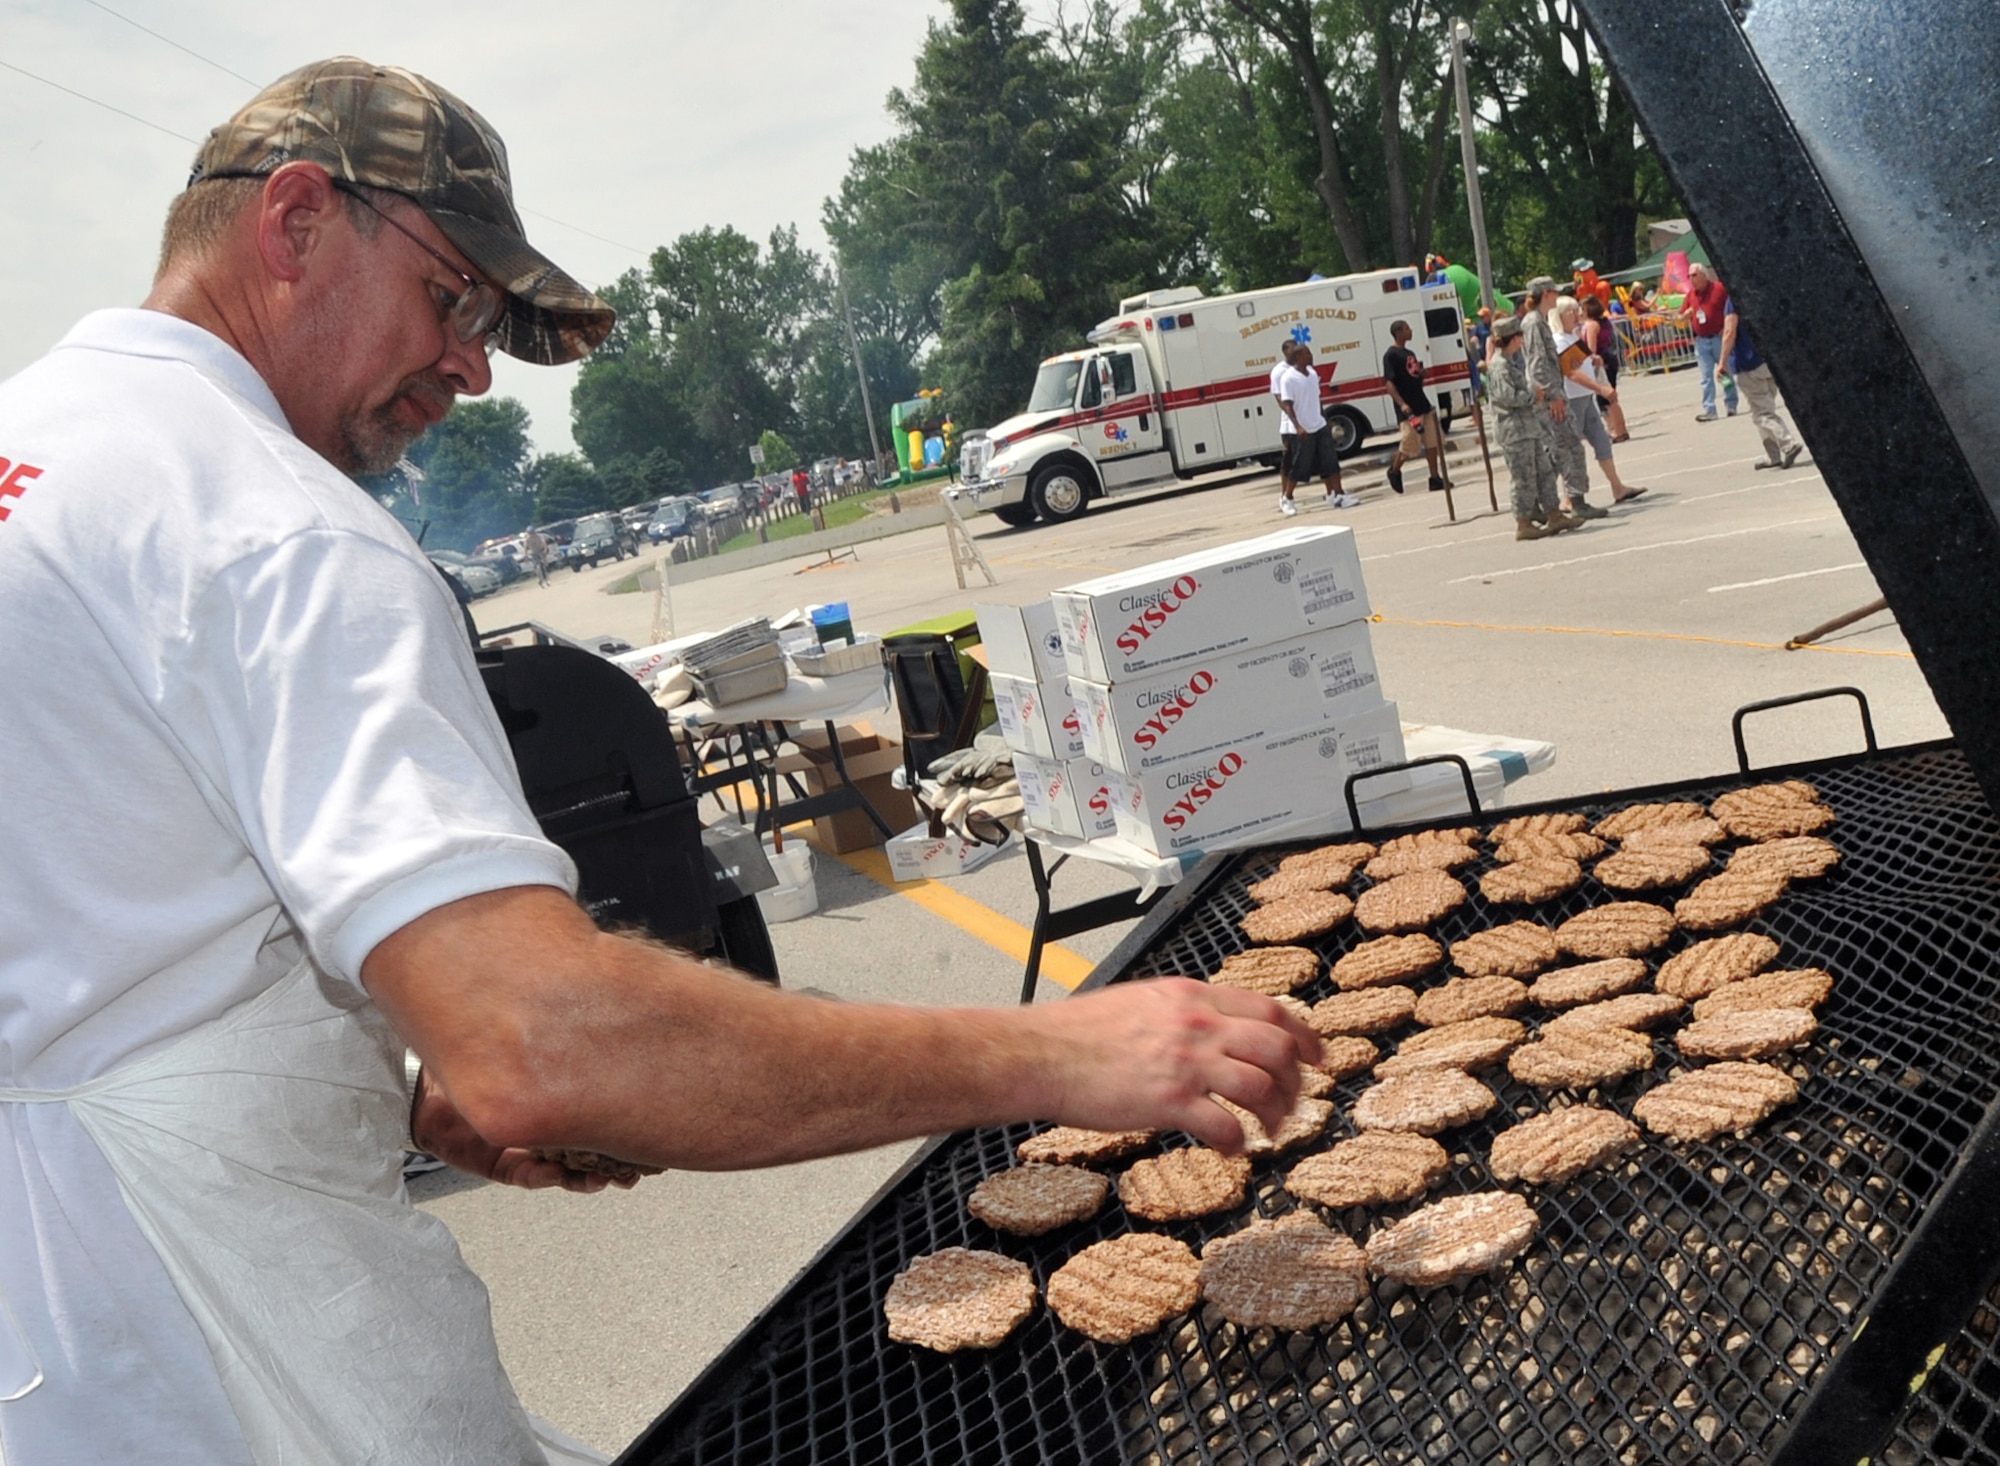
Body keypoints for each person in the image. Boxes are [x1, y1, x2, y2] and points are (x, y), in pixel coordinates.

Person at [0, 58, 1322, 1466]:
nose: (469, 362)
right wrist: (1053, 1049)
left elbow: (104, 943)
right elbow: (538, 1040)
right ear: (298, 220)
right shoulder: (274, 531)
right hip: (200, 1353)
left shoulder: (45, 454)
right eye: (453, 297)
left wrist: (399, 1067)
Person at [1519, 275, 1606, 520]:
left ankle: (1545, 503)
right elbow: (1537, 365)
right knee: (1566, 449)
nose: (1556, 297)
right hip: (1549, 399)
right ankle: (1570, 502)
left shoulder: (1537, 321)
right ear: (1546, 294)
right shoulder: (1535, 322)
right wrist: (1553, 396)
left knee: (1559, 451)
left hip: (1550, 395)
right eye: (1554, 293)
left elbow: (1546, 361)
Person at [1486, 316, 1578, 541]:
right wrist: (1532, 395)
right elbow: (1506, 397)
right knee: (1523, 477)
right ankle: (1523, 522)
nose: (1521, 342)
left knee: (1545, 471)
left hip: (1527, 428)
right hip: (1514, 432)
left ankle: (1554, 515)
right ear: (1513, 338)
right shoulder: (1499, 366)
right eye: (1519, 337)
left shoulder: (1510, 362)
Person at [1553, 297, 1647, 505]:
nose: (1576, 314)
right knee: (1570, 449)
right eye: (1570, 311)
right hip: (1572, 400)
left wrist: (1593, 360)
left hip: (1585, 398)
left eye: (1576, 310)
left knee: (1602, 441)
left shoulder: (1573, 336)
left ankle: (1617, 487)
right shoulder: (1559, 340)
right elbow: (1571, 373)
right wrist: (1601, 388)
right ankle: (1568, 498)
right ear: (1559, 316)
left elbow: (1582, 361)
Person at [1276, 341, 1358, 513]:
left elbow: (1316, 399)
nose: (1311, 356)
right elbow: (1287, 405)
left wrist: (1324, 419)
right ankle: (1288, 498)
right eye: (1307, 353)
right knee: (1299, 466)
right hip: (1302, 430)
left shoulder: (1312, 374)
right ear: (1298, 357)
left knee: (1331, 462)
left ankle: (1338, 495)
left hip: (1319, 426)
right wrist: (1298, 426)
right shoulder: (1288, 378)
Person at [1721, 311, 1805, 469]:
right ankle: (1773, 455)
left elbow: (1729, 331)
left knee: (1762, 414)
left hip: (1747, 364)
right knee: (1764, 408)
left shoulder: (1731, 303)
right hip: (1766, 361)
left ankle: (1789, 443)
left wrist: (1722, 362)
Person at [1382, 320, 1445, 495]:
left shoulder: (1409, 353)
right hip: (1409, 410)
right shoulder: (1391, 355)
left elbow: (1414, 376)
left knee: (1432, 442)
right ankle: (1394, 470)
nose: (1411, 331)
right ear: (1399, 332)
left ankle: (1434, 478)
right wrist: (1402, 403)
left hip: (1422, 404)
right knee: (1410, 443)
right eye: (1407, 328)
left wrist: (1421, 374)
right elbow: (1389, 383)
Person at [1679, 262, 1740, 421]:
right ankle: (1709, 409)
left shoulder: (1719, 289)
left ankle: (1731, 404)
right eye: (1689, 276)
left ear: (1704, 276)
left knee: (1724, 374)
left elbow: (1733, 308)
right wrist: (1684, 316)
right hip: (1701, 341)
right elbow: (1681, 316)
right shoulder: (1691, 295)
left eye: (1694, 275)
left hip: (1718, 339)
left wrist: (1726, 328)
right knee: (1706, 377)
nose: (1691, 279)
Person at [1580, 295, 1630, 441]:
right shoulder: (1604, 322)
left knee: (1605, 399)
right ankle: (1621, 429)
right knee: (1611, 397)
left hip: (1601, 363)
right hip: (1610, 359)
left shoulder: (1591, 325)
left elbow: (1591, 348)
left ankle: (1615, 430)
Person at [1270, 338, 1301, 501]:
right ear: (1285, 352)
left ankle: (1334, 493)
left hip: (1310, 423)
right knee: (1289, 462)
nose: (1295, 351)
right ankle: (1285, 495)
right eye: (1292, 349)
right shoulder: (1278, 372)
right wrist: (1295, 419)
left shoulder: (1303, 368)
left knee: (1324, 459)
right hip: (1290, 426)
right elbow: (1281, 400)